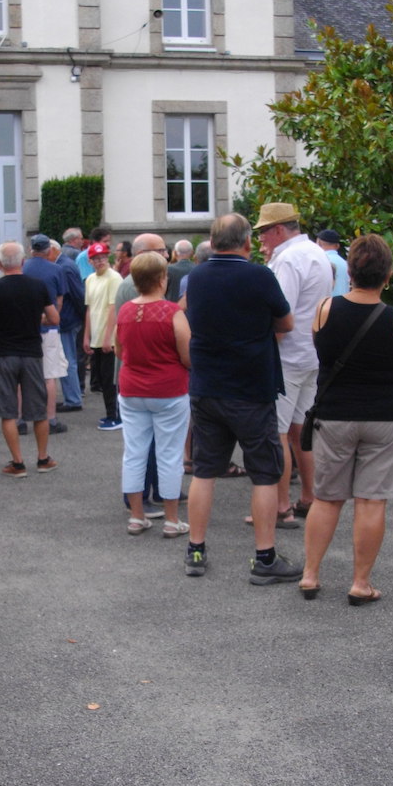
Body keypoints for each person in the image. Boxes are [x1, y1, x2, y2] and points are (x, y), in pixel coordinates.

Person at [297, 235, 393, 604]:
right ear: (388, 274)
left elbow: (322, 351)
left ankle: (310, 574)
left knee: (327, 498)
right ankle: (360, 582)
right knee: (371, 500)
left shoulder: (324, 310)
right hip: (384, 415)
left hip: (335, 414)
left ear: (349, 271)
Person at [183, 213, 300, 584]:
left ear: (213, 241)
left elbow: (188, 314)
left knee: (205, 470)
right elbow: (287, 323)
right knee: (264, 473)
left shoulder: (196, 277)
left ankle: (195, 549)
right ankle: (264, 558)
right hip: (251, 386)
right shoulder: (260, 276)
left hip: (207, 385)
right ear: (247, 242)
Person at [252, 202, 333, 527]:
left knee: (279, 433)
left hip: (287, 357)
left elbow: (278, 313)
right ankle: (309, 497)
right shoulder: (318, 254)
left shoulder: (287, 259)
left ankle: (281, 505)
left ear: (278, 230)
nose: (262, 239)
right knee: (302, 431)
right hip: (312, 351)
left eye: (263, 233)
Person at [116, 252, 192, 538]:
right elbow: (187, 356)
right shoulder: (173, 312)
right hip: (168, 390)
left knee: (134, 452)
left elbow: (121, 352)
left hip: (132, 388)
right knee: (170, 454)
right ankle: (172, 520)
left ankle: (137, 516)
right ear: (163, 278)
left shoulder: (124, 311)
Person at [0, 242, 61, 477]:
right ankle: (43, 458)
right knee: (38, 410)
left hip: (3, 353)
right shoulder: (38, 286)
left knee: (8, 412)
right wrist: (37, 322)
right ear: (23, 262)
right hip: (32, 352)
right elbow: (54, 318)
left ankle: (17, 463)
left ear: (2, 264)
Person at [22, 234, 70, 434]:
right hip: (48, 327)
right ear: (49, 250)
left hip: (24, 328)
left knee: (21, 376)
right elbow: (59, 301)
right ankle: (50, 419)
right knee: (49, 375)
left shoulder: (22, 268)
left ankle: (20, 419)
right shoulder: (56, 269)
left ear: (31, 249)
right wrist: (52, 317)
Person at [84, 241, 123, 430]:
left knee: (110, 379)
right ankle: (110, 413)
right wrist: (86, 337)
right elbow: (90, 308)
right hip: (97, 335)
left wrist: (109, 337)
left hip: (109, 336)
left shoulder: (114, 278)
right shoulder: (90, 279)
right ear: (90, 261)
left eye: (103, 257)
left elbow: (113, 308)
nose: (100, 261)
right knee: (100, 377)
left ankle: (116, 416)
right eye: (96, 259)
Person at [51, 238, 86, 412]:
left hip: (68, 320)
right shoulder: (64, 264)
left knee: (68, 360)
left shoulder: (64, 266)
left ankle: (73, 399)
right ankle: (71, 397)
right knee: (67, 359)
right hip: (70, 319)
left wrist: (82, 318)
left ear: (52, 250)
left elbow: (78, 295)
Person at [315, 229, 349, 296]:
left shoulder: (319, 261)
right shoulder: (346, 263)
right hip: (344, 303)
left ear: (319, 243)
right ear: (337, 245)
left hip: (326, 304)